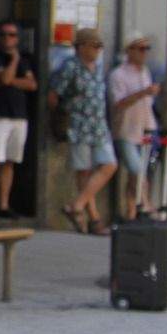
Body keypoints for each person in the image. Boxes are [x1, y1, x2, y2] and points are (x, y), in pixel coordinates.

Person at [47, 28, 117, 234]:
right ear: (82, 46)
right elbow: (54, 95)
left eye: (100, 47)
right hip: (79, 125)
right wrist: (62, 115)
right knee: (84, 170)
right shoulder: (70, 67)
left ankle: (77, 205)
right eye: (95, 46)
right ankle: (93, 219)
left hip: (99, 125)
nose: (98, 50)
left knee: (110, 165)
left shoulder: (97, 67)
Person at [0, 20, 37, 217]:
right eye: (3, 34)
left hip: (19, 116)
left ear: (18, 38)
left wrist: (10, 79)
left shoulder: (25, 59)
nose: (7, 38)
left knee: (10, 162)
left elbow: (32, 84)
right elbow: (3, 78)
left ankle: (3, 204)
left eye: (12, 35)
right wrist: (13, 62)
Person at [107, 33, 160, 221]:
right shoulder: (118, 75)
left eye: (147, 49)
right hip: (126, 130)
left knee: (137, 174)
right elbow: (118, 103)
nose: (144, 53)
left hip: (146, 127)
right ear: (129, 50)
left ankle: (131, 211)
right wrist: (143, 93)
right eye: (140, 48)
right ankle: (145, 205)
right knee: (137, 170)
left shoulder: (145, 72)